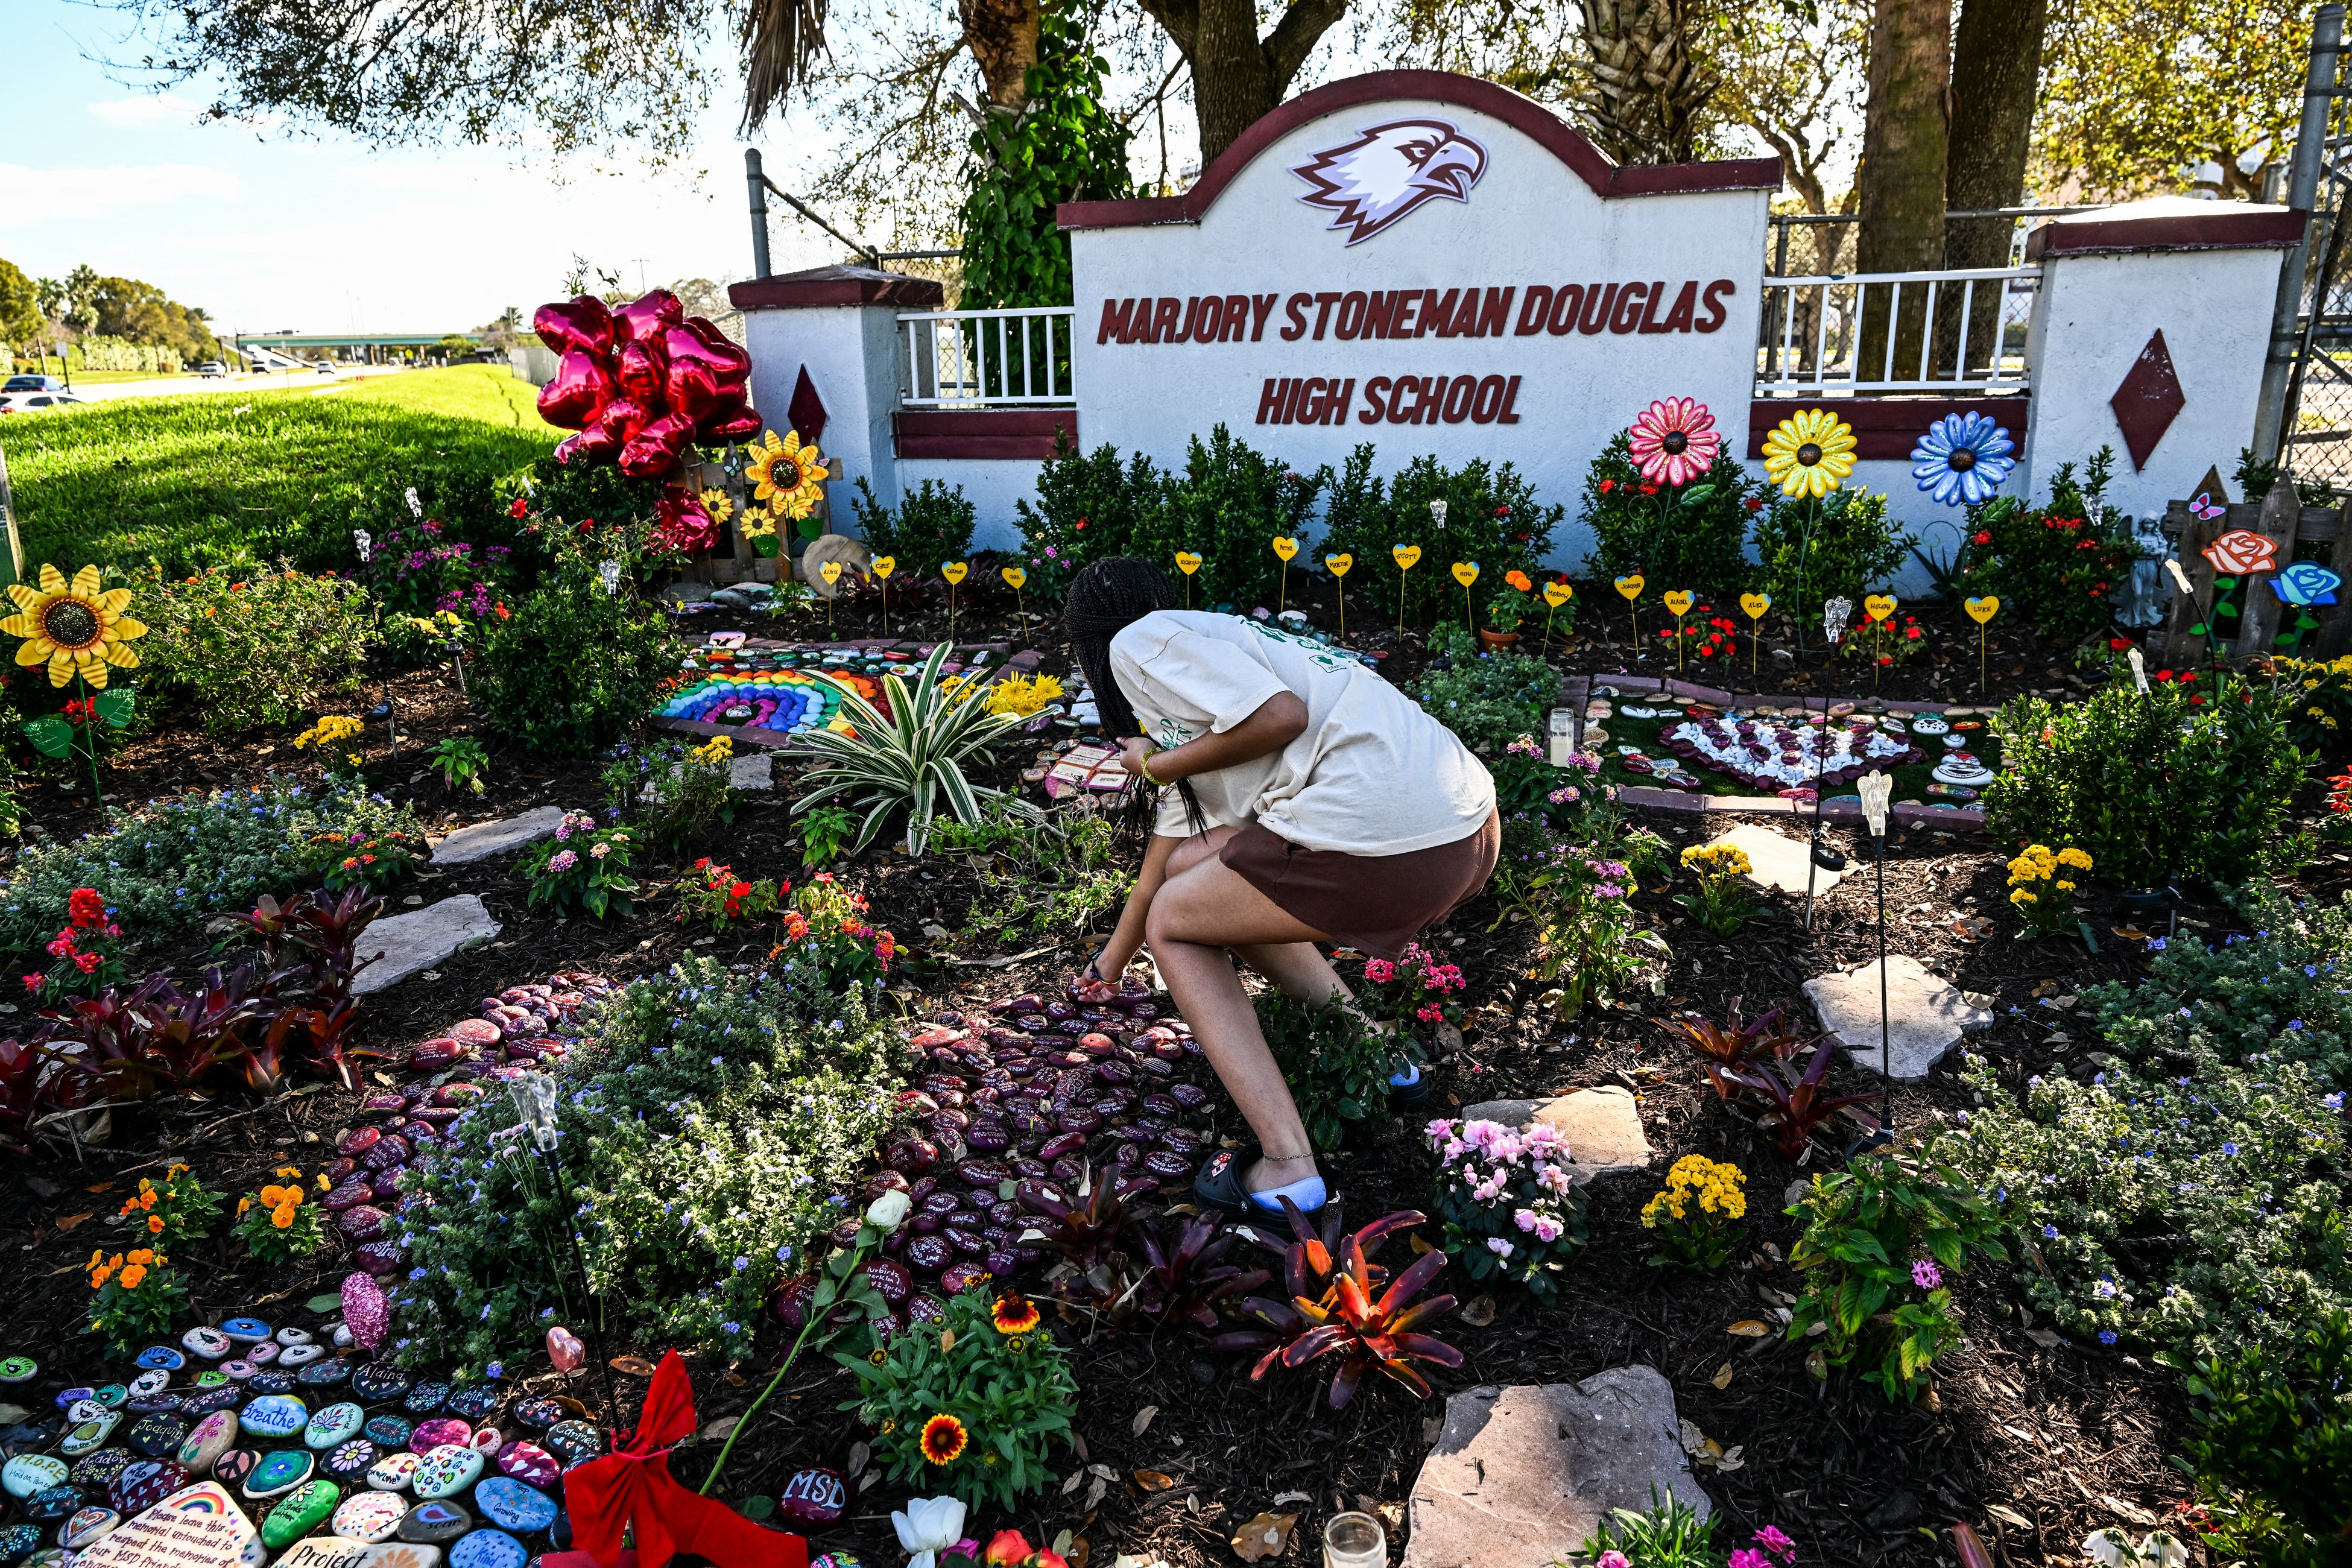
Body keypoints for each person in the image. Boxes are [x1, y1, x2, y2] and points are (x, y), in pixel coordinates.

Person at [1063, 557, 1499, 1216]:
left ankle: (1288, 1166)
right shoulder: (1218, 651)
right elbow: (1173, 849)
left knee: (1176, 925)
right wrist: (1111, 961)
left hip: (1391, 844)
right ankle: (1385, 1061)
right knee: (1196, 884)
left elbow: (1280, 715)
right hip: (1465, 834)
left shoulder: (1138, 639)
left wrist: (1153, 762)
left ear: (1089, 638)